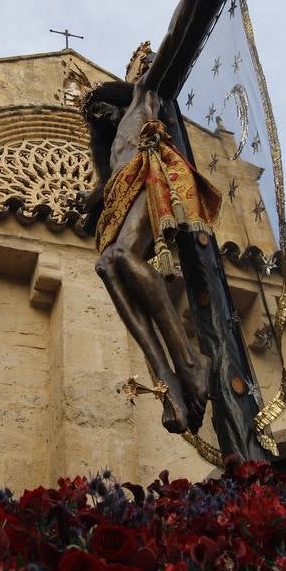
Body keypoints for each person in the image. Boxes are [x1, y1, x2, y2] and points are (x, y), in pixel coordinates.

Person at [81, 46, 221, 434]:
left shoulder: (142, 99)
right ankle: (165, 377)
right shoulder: (112, 148)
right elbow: (106, 185)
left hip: (150, 175)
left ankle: (190, 362)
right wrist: (88, 200)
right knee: (107, 264)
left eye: (100, 105)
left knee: (125, 254)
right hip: (123, 192)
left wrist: (148, 62)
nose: (99, 114)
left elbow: (174, 44)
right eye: (93, 115)